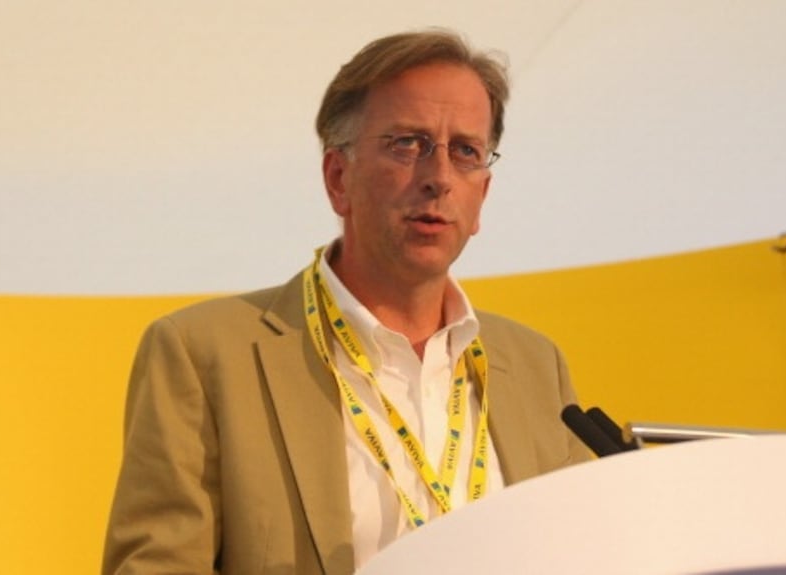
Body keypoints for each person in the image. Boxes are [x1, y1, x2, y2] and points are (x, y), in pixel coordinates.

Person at [103, 28, 591, 575]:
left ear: (482, 198)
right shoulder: (204, 354)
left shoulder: (534, 365)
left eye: (465, 152)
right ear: (339, 178)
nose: (438, 178)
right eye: (408, 144)